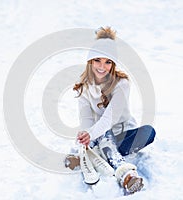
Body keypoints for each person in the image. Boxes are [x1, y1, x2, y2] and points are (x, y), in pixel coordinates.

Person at [65, 26, 156, 194]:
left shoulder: (122, 84)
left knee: (148, 132)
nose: (102, 66)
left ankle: (90, 156)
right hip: (98, 134)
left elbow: (109, 119)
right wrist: (86, 135)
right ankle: (126, 174)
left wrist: (91, 134)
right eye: (97, 60)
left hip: (121, 134)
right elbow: (86, 120)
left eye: (108, 62)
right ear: (90, 62)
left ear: (113, 64)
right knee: (99, 134)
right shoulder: (84, 87)